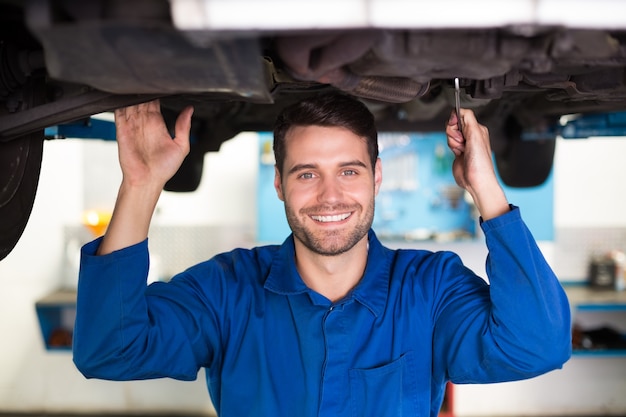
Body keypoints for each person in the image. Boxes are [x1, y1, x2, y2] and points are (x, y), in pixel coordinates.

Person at [73, 92, 571, 417]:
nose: (330, 196)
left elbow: (539, 346)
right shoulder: (229, 288)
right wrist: (140, 185)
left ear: (377, 177)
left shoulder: (430, 289)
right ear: (279, 184)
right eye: (307, 173)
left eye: (350, 171)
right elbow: (108, 349)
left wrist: (486, 187)